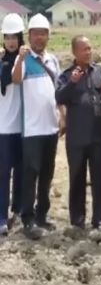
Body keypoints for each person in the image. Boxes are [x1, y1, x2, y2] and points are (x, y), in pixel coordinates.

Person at [12, 13, 63, 240]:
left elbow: (59, 91)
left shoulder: (53, 60)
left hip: (51, 128)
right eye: (36, 34)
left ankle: (42, 214)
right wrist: (20, 60)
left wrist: (63, 116)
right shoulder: (23, 61)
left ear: (48, 36)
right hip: (32, 129)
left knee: (47, 173)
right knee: (30, 173)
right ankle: (28, 219)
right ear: (29, 36)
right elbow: (15, 79)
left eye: (44, 34)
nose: (40, 38)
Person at [55, 36, 101, 231]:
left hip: (97, 135)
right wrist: (72, 83)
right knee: (77, 177)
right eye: (83, 49)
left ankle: (99, 219)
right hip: (77, 137)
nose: (88, 52)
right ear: (74, 53)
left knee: (98, 178)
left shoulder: (98, 71)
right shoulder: (67, 75)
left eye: (89, 48)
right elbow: (59, 97)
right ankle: (77, 219)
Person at [0, 13, 25, 235]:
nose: (10, 41)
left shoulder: (26, 60)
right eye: (7, 37)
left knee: (20, 172)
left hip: (23, 127)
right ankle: (1, 216)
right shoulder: (2, 63)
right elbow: (8, 78)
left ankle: (17, 210)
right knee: (3, 173)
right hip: (4, 128)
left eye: (14, 37)